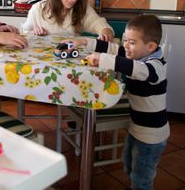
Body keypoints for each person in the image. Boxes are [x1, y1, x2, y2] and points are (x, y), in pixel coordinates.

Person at [71, 14, 168, 190]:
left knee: (142, 178)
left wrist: (102, 60)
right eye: (125, 40)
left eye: (131, 42)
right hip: (137, 128)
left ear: (151, 47)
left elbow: (137, 69)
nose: (126, 46)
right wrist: (86, 42)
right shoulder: (138, 54)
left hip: (151, 135)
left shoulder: (155, 66)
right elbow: (113, 49)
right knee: (129, 164)